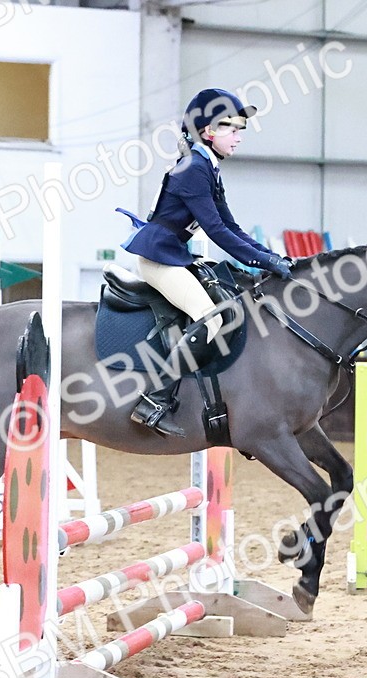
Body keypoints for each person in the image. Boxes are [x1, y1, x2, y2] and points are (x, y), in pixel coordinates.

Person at [117, 87, 294, 437]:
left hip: (173, 255)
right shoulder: (194, 169)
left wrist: (270, 256)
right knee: (211, 319)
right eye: (231, 128)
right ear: (208, 131)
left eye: (240, 129)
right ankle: (153, 400)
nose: (239, 136)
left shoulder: (207, 166)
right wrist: (263, 261)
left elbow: (231, 226)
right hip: (158, 259)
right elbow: (214, 230)